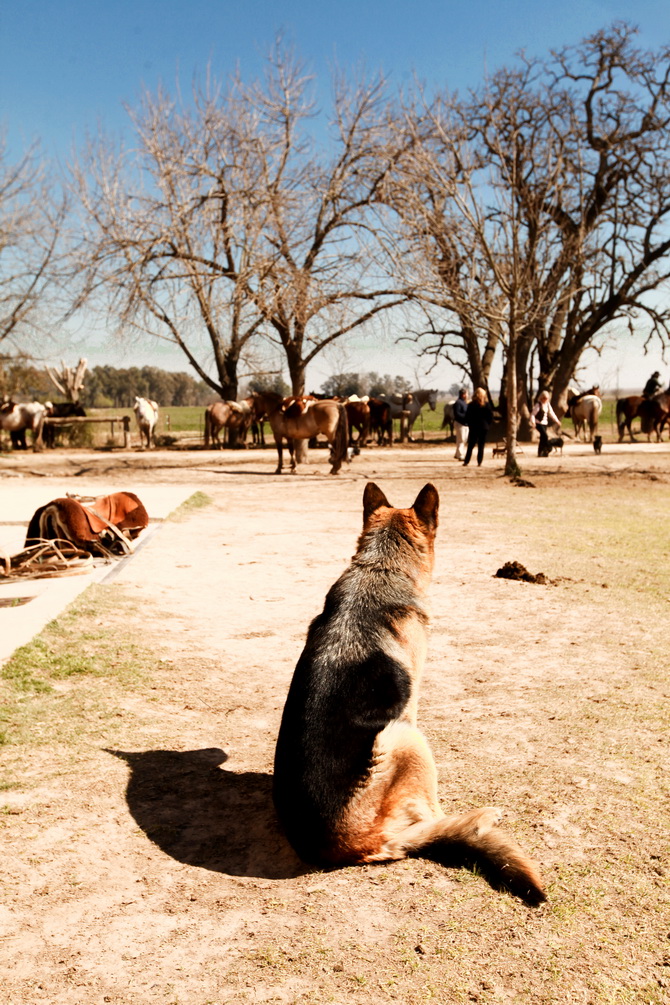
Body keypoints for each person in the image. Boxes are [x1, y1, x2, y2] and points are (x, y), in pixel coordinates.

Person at [462, 387, 493, 467]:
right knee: (481, 445)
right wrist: (488, 425)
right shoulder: (487, 405)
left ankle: (467, 461)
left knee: (471, 445)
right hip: (484, 427)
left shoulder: (471, 405)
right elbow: (490, 417)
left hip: (474, 427)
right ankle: (479, 462)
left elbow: (467, 416)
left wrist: (469, 424)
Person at [530, 390, 561, 457]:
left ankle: (541, 452)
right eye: (544, 398)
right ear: (541, 398)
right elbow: (533, 415)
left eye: (546, 398)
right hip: (538, 423)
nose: (545, 400)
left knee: (542, 438)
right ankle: (548, 448)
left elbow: (551, 413)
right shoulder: (538, 405)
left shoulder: (547, 404)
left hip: (544, 423)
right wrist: (533, 422)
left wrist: (557, 421)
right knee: (545, 436)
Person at [453, 388, 469, 460]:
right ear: (463, 395)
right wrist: (466, 417)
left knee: (462, 439)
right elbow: (457, 414)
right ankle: (460, 455)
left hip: (465, 424)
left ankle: (457, 453)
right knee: (461, 439)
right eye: (467, 394)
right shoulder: (458, 403)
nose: (467, 395)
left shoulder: (464, 403)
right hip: (460, 423)